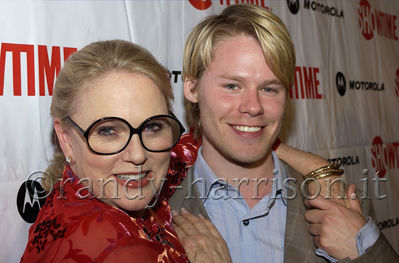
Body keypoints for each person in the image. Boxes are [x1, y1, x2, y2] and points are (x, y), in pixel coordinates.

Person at [169, 4, 398, 263]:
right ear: (191, 87)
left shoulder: (341, 206)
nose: (253, 106)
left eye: (269, 89)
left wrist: (364, 250)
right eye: (232, 85)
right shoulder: (154, 215)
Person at [20, 40, 231, 263]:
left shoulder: (75, 192)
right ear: (66, 138)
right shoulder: (120, 250)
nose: (138, 155)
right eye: (108, 131)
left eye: (152, 127)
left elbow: (183, 151)